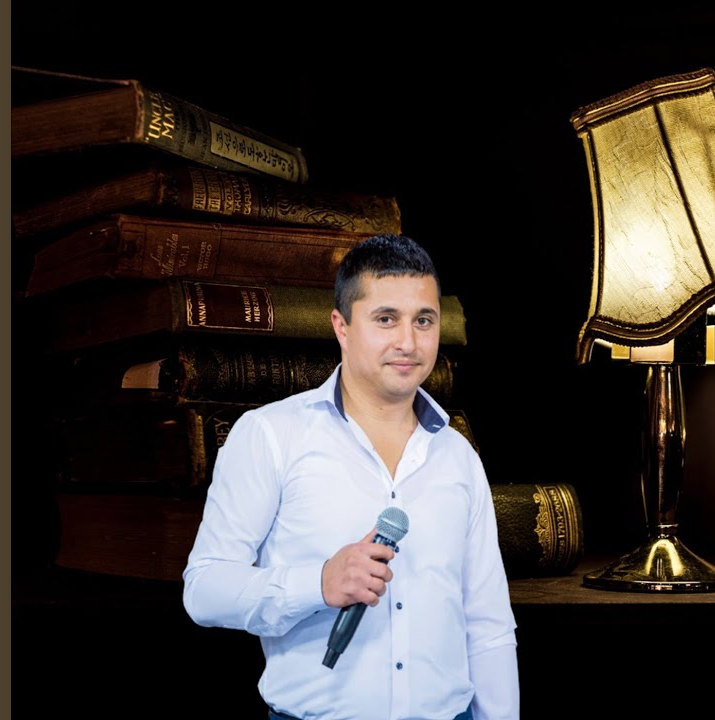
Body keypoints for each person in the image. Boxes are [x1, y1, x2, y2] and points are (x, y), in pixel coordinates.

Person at [182, 234, 519, 719]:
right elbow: (205, 590)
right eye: (386, 319)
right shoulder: (270, 435)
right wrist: (317, 583)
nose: (408, 342)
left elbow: (487, 624)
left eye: (424, 320)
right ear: (341, 326)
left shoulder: (458, 456)